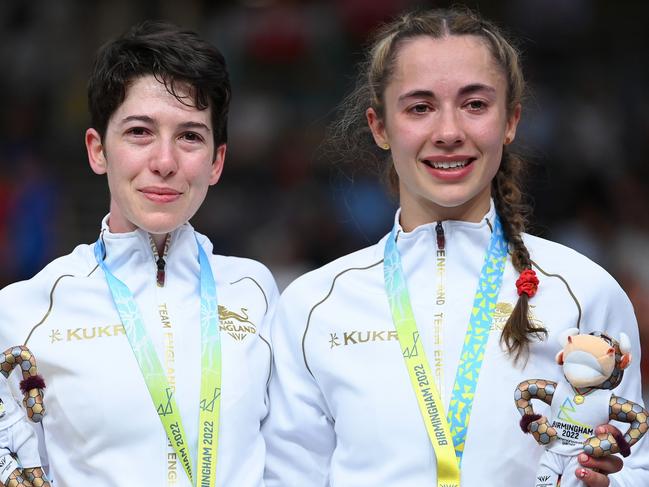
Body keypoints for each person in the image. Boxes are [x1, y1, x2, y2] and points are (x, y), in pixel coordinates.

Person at [263, 8, 648, 487]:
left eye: (475, 105)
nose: (448, 132)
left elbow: (635, 462)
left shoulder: (584, 290)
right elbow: (289, 476)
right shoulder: (314, 306)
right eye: (419, 107)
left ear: (511, 121)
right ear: (379, 127)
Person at [0, 21, 277, 487]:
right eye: (139, 132)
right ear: (98, 150)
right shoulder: (24, 310)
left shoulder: (259, 293)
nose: (164, 161)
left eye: (190, 136)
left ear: (216, 161)